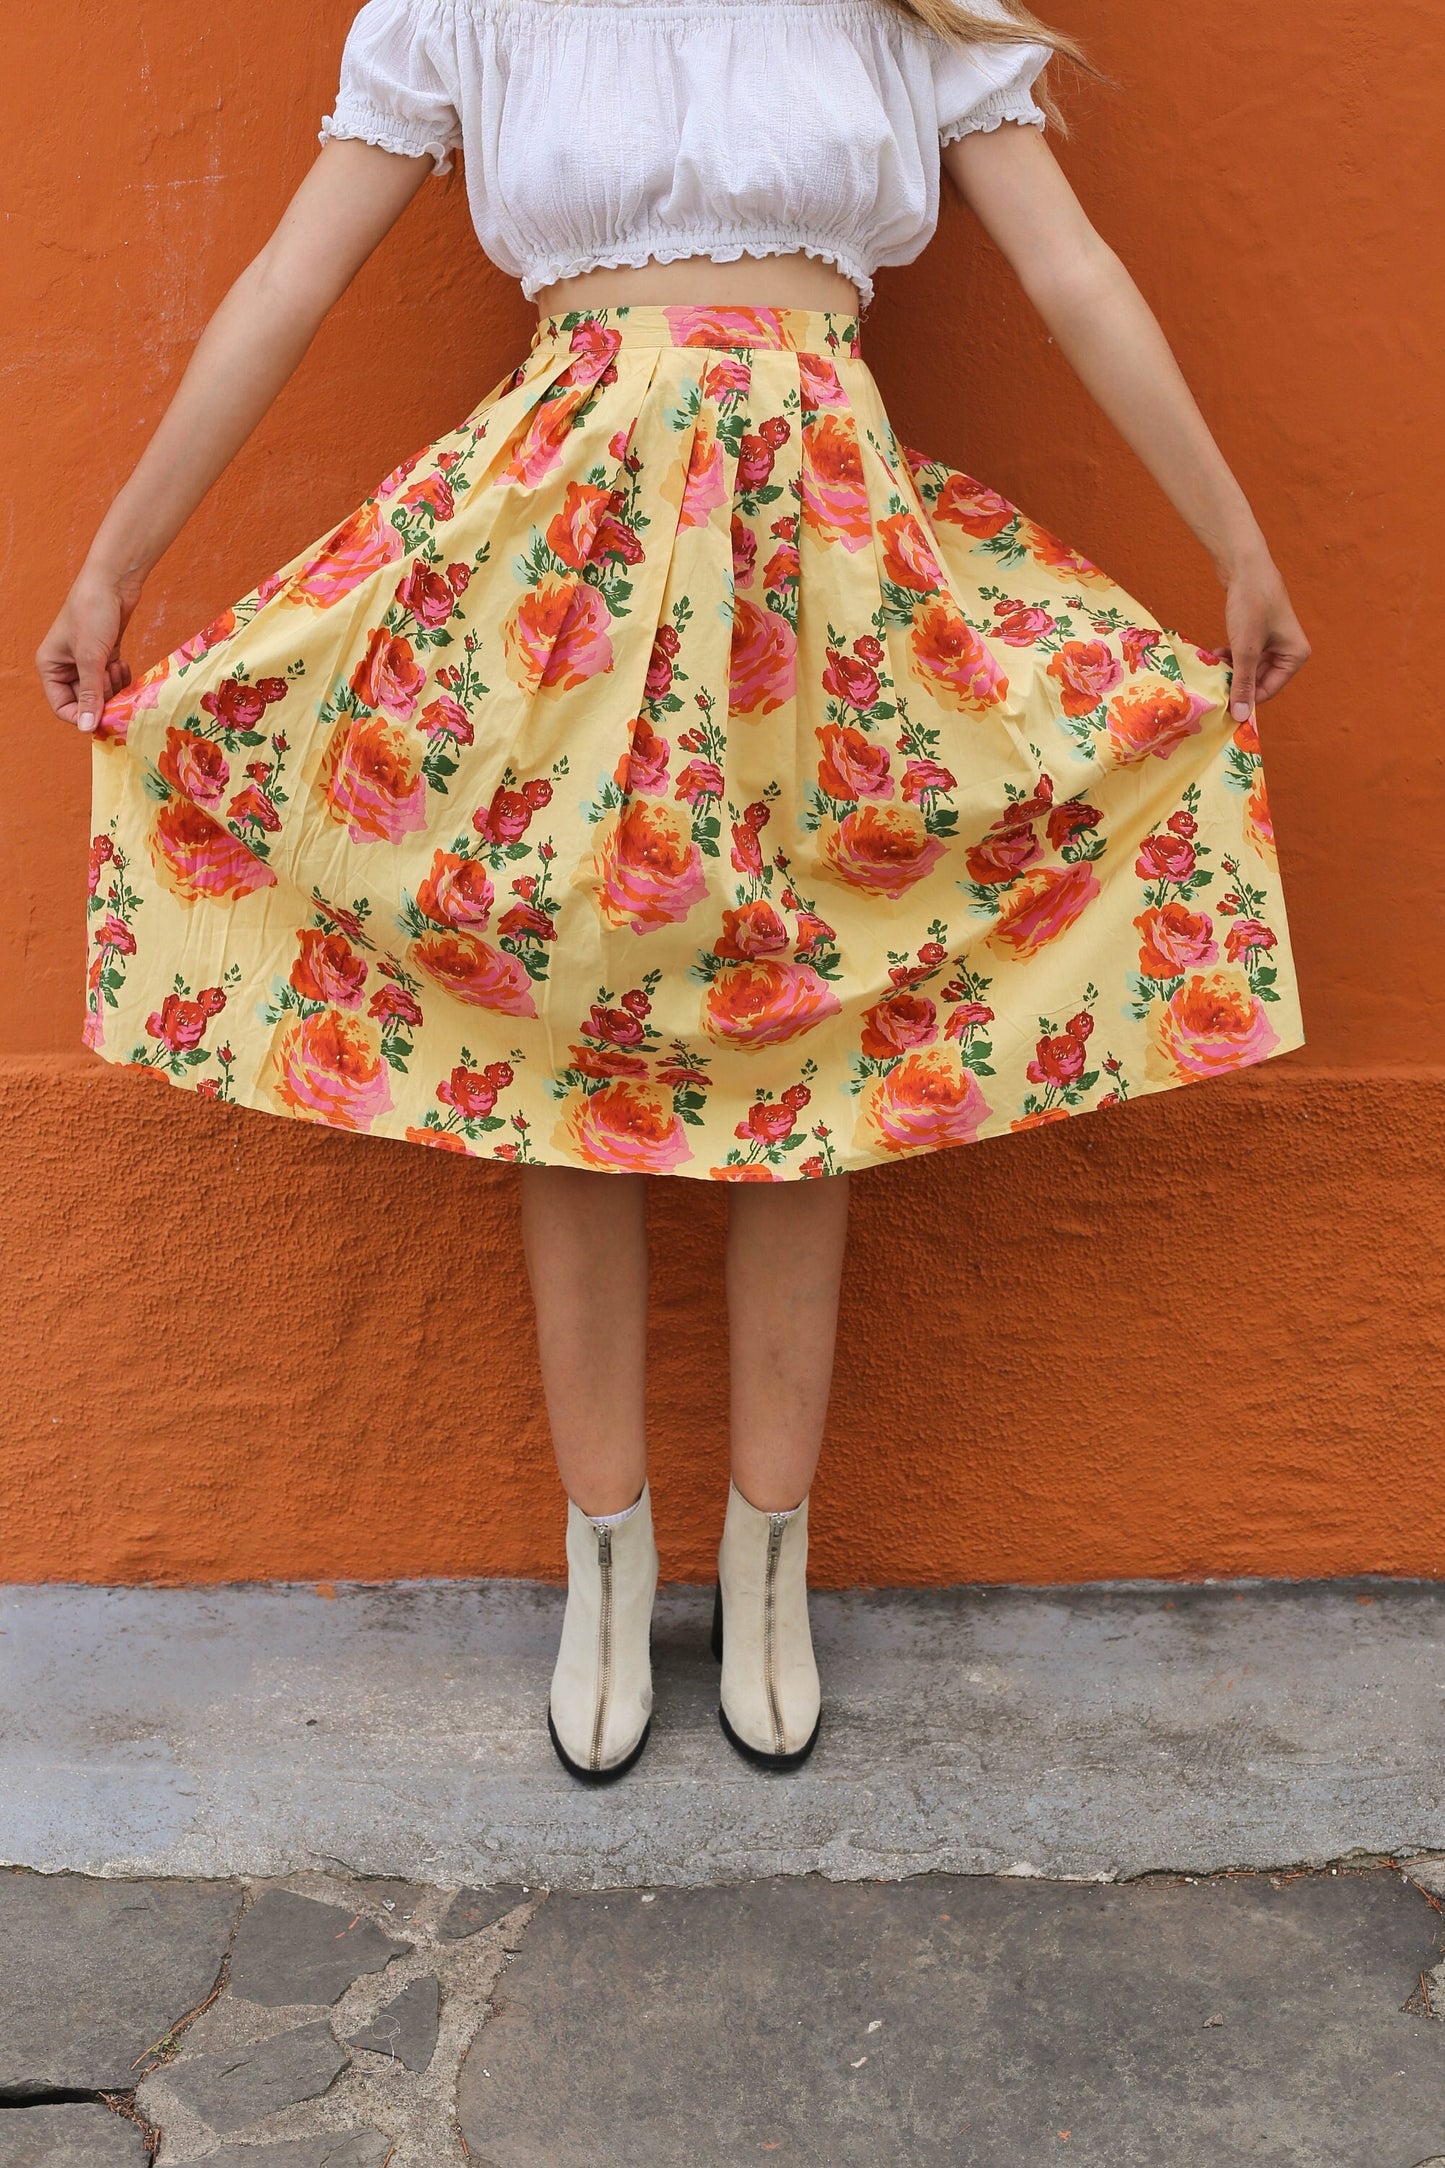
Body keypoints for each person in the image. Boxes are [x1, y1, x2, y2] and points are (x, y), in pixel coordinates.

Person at [37, 0, 1309, 1785]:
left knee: (813, 1041)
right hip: (559, 570)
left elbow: (1073, 269)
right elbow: (280, 280)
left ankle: (767, 1557)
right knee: (560, 1048)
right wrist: (115, 562)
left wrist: (1232, 534)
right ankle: (605, 1558)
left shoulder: (896, 10)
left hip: (826, 574)